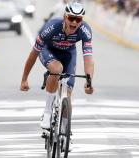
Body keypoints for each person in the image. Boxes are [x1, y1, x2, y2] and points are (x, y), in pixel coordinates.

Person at [20, 2, 94, 131]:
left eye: (78, 19)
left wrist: (89, 81)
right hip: (48, 50)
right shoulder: (51, 27)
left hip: (68, 54)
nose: (74, 23)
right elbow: (33, 54)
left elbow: (88, 57)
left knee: (68, 94)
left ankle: (65, 132)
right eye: (71, 18)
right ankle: (47, 113)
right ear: (65, 17)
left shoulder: (85, 31)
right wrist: (24, 78)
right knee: (57, 69)